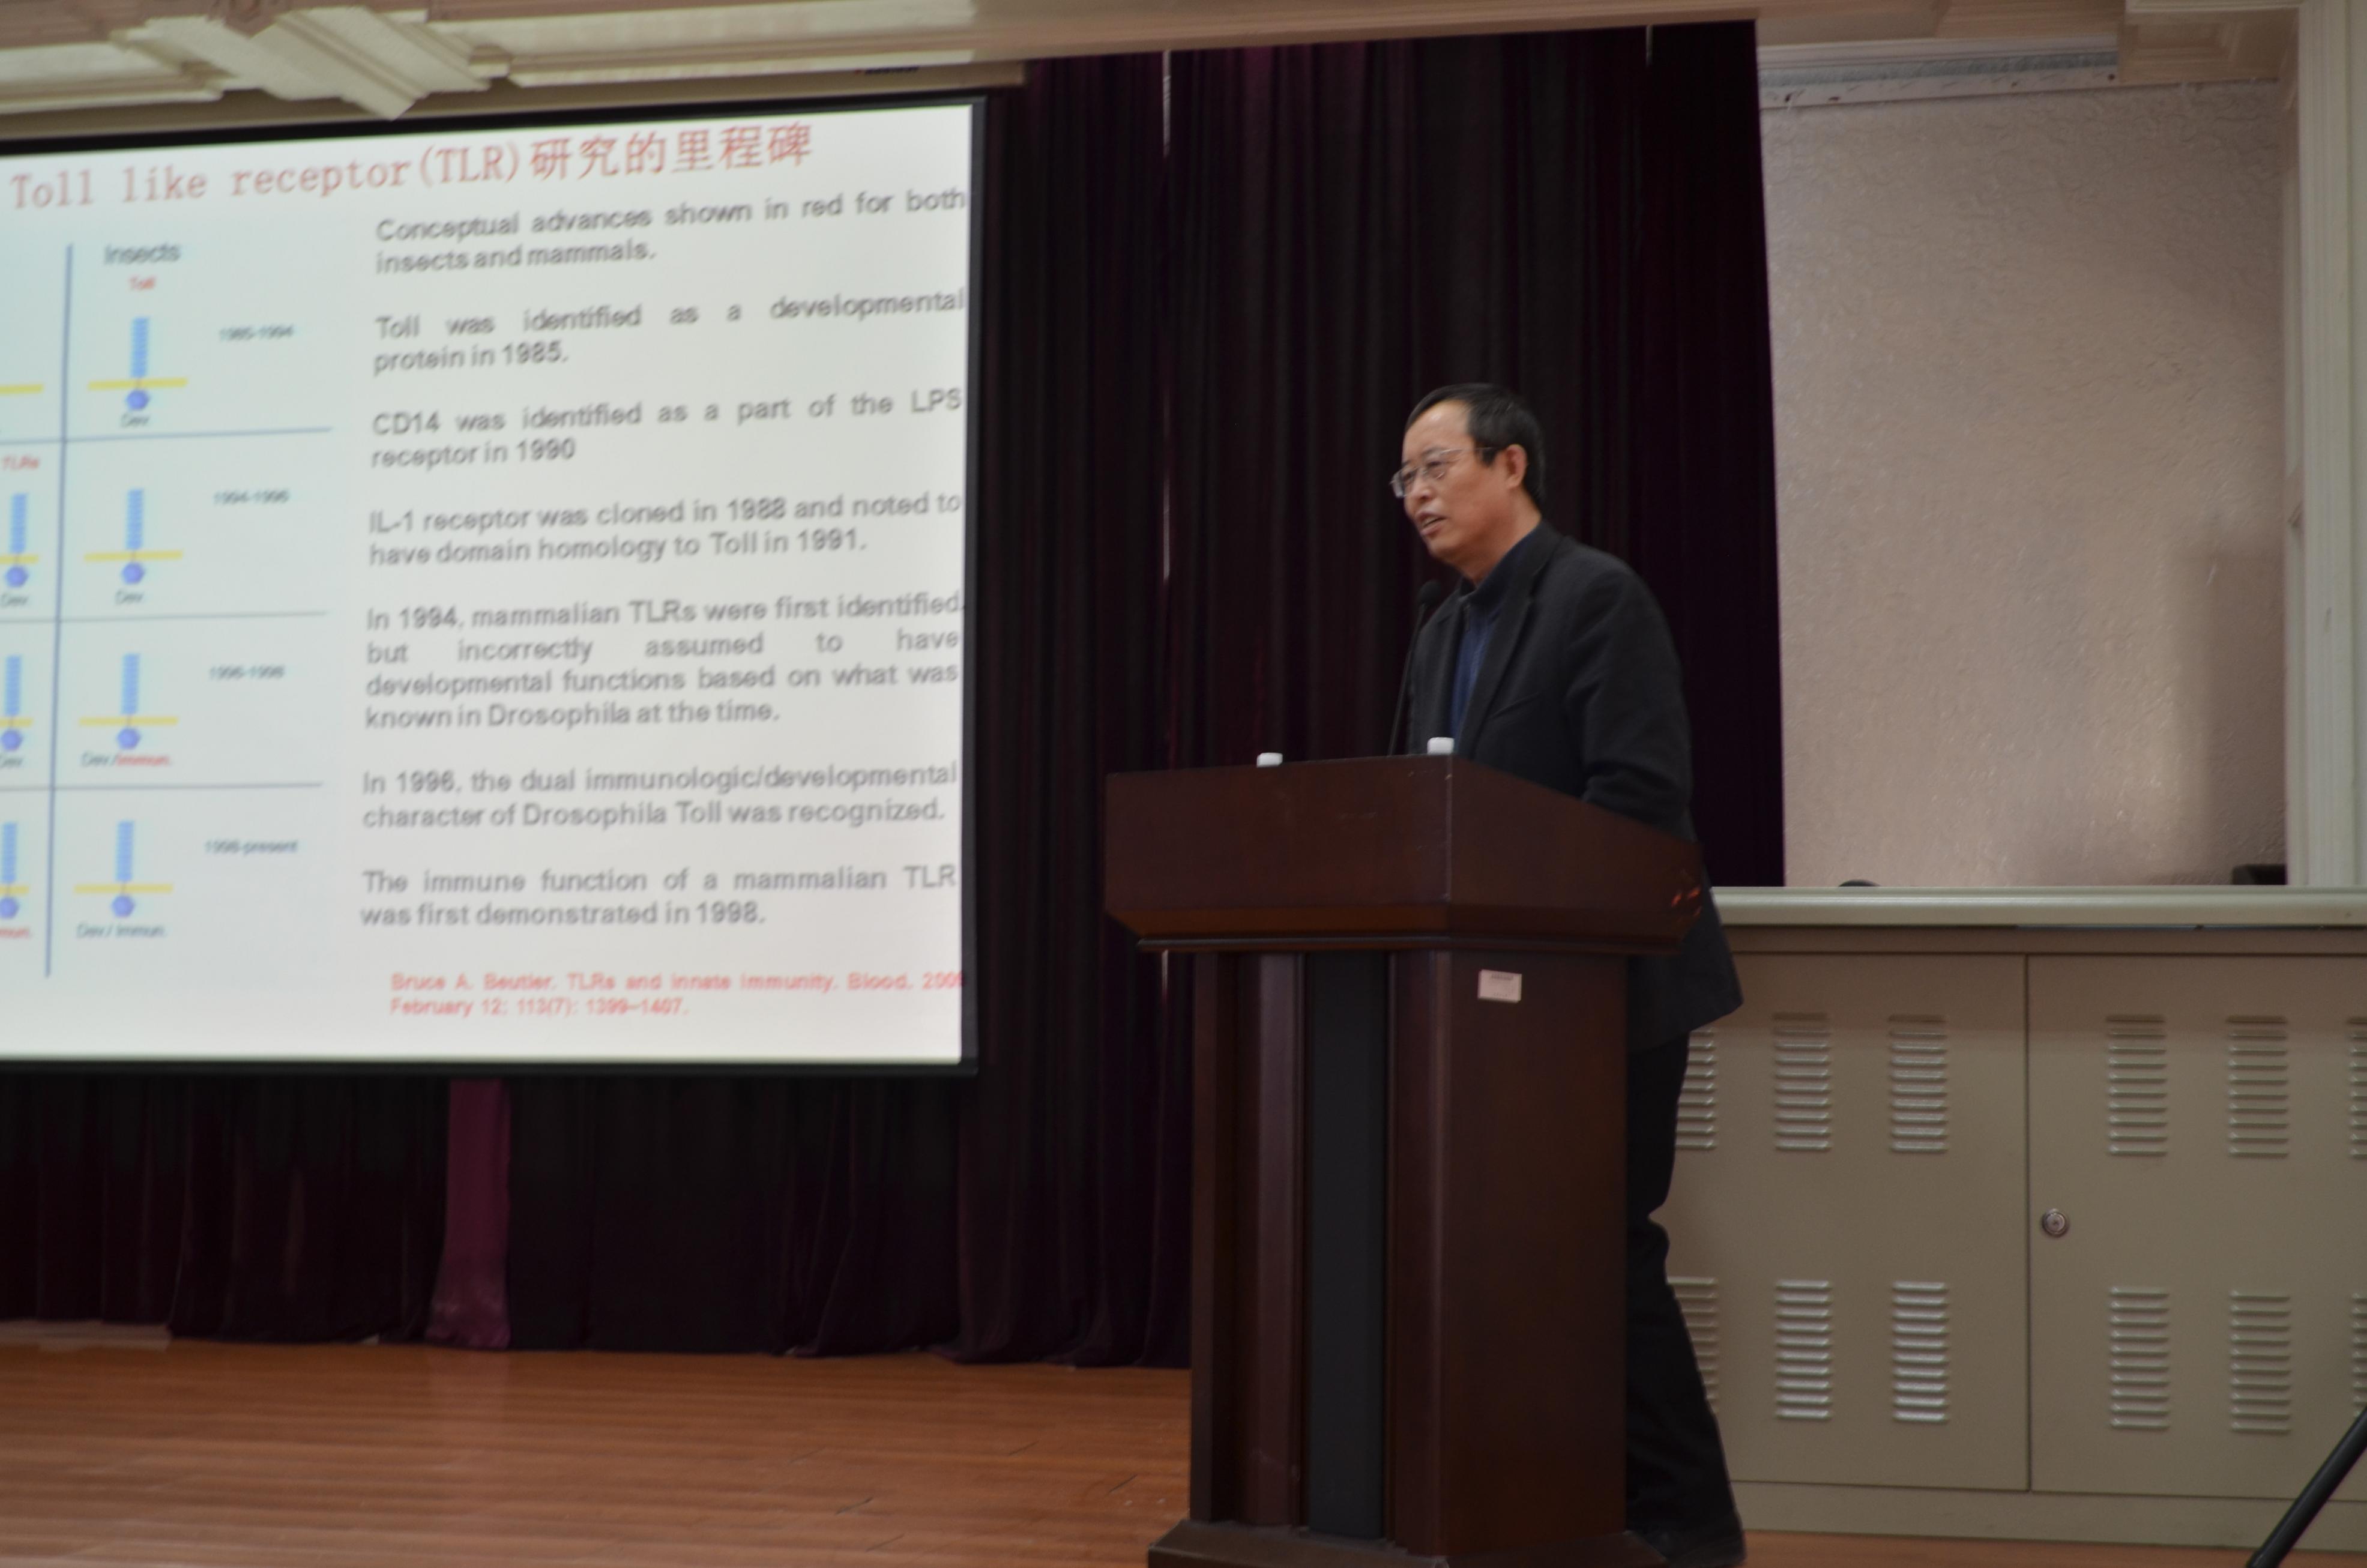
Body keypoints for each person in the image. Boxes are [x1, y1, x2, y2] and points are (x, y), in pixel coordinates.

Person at [1395, 383, 1746, 1568]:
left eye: (1436, 466)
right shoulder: (1440, 631)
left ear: (1512, 465)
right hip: (1485, 1008)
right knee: (1518, 1261)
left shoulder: (1596, 597)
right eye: (1404, 479)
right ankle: (1555, 1499)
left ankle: (1690, 1525)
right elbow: (1422, 818)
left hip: (1603, 1000)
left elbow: (1638, 800)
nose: (1417, 495)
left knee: (1602, 1253)